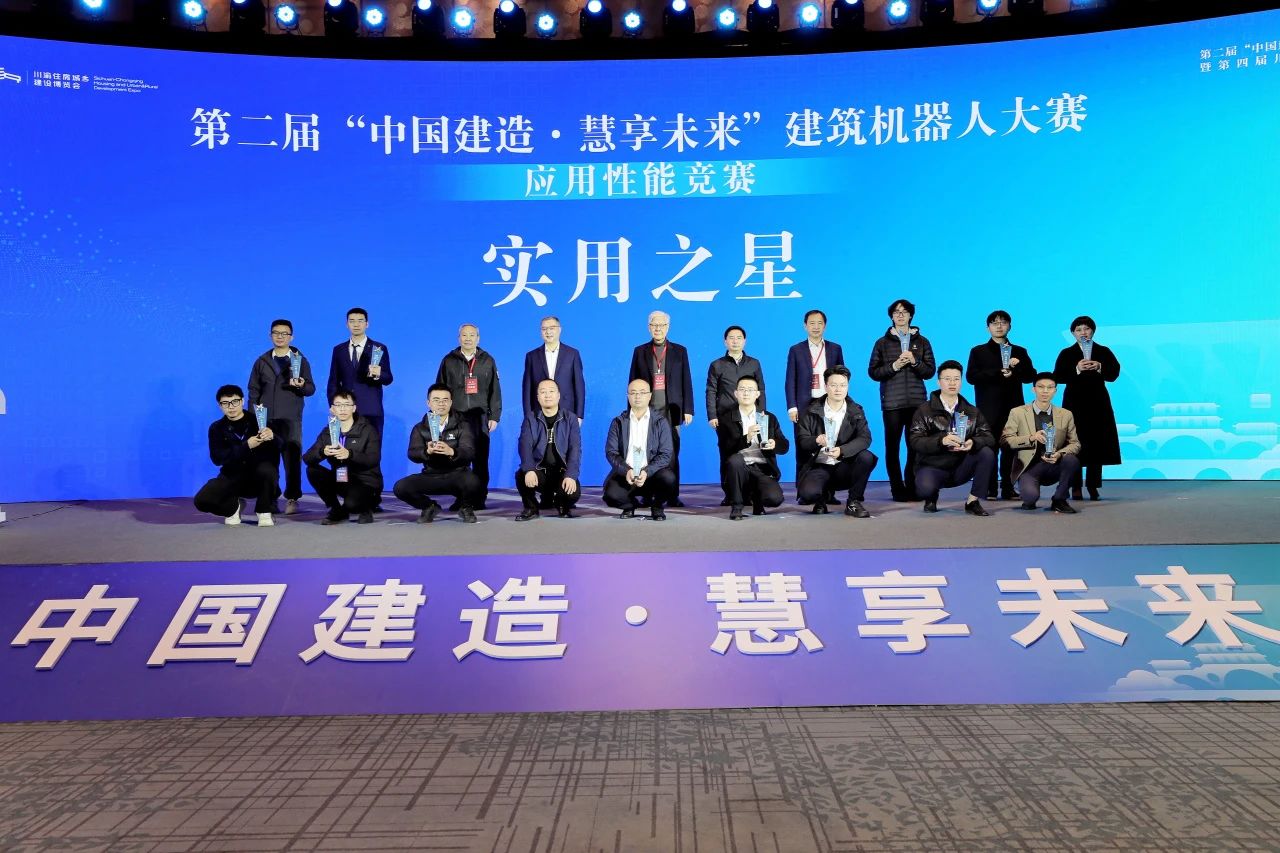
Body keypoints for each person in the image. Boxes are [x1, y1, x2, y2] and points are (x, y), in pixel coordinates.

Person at [868, 298, 936, 502]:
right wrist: (895, 366)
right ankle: (897, 489)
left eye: (904, 311)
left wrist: (915, 362)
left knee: (915, 447)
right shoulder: (882, 343)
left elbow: (930, 371)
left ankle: (912, 486)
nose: (900, 315)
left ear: (910, 315)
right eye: (896, 312)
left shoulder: (922, 342)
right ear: (891, 316)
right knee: (893, 448)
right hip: (892, 403)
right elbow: (873, 372)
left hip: (917, 403)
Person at [907, 360, 996, 516]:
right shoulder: (924, 410)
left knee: (987, 452)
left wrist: (973, 442)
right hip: (932, 466)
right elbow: (915, 441)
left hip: (961, 466)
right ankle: (931, 496)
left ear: (961, 381)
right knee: (924, 489)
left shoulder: (972, 411)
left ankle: (972, 501)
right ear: (939, 382)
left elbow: (989, 437)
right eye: (947, 379)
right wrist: (942, 440)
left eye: (956, 379)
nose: (952, 383)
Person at [326, 307, 393, 509]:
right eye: (352, 321)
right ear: (347, 324)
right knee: (342, 453)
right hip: (345, 412)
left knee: (372, 454)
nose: (356, 324)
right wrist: (333, 405)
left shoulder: (379, 348)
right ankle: (347, 494)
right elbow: (333, 380)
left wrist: (378, 374)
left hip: (371, 410)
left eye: (360, 320)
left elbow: (388, 377)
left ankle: (374, 498)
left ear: (367, 324)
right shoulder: (338, 350)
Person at [247, 319, 315, 516]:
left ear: (291, 337)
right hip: (266, 420)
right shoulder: (261, 361)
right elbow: (253, 391)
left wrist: (301, 385)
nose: (280, 336)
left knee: (292, 458)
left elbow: (311, 389)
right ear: (270, 336)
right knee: (268, 460)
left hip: (290, 418)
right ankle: (271, 497)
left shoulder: (300, 360)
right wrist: (253, 418)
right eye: (276, 333)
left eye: (284, 333)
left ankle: (293, 498)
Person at [965, 310, 1035, 501]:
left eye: (1003, 322)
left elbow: (1031, 376)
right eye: (994, 323)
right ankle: (989, 488)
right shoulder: (978, 351)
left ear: (1009, 326)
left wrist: (1016, 369)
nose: (999, 326)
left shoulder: (1019, 351)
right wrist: (997, 372)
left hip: (1014, 409)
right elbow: (971, 377)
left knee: (1011, 449)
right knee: (989, 448)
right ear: (988, 327)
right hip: (988, 409)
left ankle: (1008, 487)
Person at [628, 310, 694, 506]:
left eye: (662, 325)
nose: (658, 328)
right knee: (646, 452)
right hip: (646, 410)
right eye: (654, 325)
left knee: (672, 453)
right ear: (649, 327)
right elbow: (632, 381)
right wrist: (631, 410)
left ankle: (672, 495)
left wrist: (688, 409)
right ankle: (647, 494)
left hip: (671, 410)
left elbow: (686, 380)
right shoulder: (639, 351)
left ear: (668, 327)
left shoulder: (680, 351)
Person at [1052, 316, 1121, 501]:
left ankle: (1093, 485)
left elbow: (1114, 373)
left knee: (1097, 443)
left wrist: (1099, 367)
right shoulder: (1067, 353)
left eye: (1087, 329)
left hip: (1098, 403)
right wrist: (1076, 369)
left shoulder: (1103, 351)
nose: (1083, 332)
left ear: (1093, 331)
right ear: (1073, 333)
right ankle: (1075, 486)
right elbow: (1057, 376)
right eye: (1078, 329)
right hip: (1074, 403)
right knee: (1075, 443)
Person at [194, 385, 281, 526]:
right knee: (201, 500)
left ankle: (264, 510)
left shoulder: (259, 420)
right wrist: (247, 446)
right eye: (225, 403)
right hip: (231, 477)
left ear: (242, 401)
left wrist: (273, 436)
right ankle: (234, 506)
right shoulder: (216, 428)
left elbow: (282, 446)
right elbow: (217, 458)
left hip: (259, 478)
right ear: (220, 406)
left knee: (268, 470)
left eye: (235, 401)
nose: (231, 407)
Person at [435, 323, 501, 510]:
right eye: (464, 335)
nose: (468, 338)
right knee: (458, 460)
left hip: (480, 418)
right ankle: (462, 499)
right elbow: (440, 388)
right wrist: (441, 414)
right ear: (459, 338)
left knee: (481, 460)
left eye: (472, 335)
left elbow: (495, 390)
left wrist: (494, 416)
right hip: (456, 418)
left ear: (478, 338)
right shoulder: (449, 360)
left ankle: (479, 499)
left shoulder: (488, 360)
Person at [393, 385, 481, 524]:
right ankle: (429, 507)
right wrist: (426, 452)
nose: (441, 404)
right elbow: (412, 453)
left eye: (445, 400)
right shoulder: (419, 428)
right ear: (428, 403)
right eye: (436, 400)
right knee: (401, 487)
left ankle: (465, 507)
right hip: (431, 475)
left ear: (451, 402)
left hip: (457, 474)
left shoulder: (463, 425)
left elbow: (469, 451)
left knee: (474, 481)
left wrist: (452, 451)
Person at [795, 366, 875, 518]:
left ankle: (853, 502)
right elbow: (802, 441)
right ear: (826, 386)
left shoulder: (856, 410)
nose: (838, 389)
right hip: (819, 465)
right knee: (809, 493)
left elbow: (865, 438)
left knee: (866, 457)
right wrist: (816, 440)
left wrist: (842, 450)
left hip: (844, 465)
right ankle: (821, 497)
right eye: (833, 385)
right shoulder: (811, 410)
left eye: (843, 385)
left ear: (847, 386)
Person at [1001, 372, 1083, 514]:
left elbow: (1075, 444)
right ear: (1033, 389)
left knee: (1071, 460)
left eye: (1050, 387)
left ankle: (1059, 499)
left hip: (1054, 464)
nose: (1045, 391)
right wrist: (1031, 438)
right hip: (1029, 467)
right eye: (1041, 387)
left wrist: (1059, 454)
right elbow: (1006, 440)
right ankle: (1029, 493)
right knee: (1030, 499)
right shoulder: (1017, 412)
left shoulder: (1066, 414)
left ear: (1055, 391)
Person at [786, 309, 846, 490]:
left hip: (829, 403)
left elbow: (842, 377)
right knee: (803, 447)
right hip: (804, 404)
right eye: (812, 323)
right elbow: (790, 380)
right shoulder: (796, 350)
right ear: (805, 326)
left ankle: (828, 492)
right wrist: (792, 407)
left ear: (825, 326)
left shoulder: (835, 348)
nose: (816, 327)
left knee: (830, 445)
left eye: (820, 323)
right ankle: (803, 491)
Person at [715, 375, 789, 520]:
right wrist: (746, 438)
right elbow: (725, 448)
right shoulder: (726, 419)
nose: (746, 393)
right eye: (742, 389)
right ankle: (737, 507)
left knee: (774, 499)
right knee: (735, 460)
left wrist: (775, 444)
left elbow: (785, 446)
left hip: (762, 469)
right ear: (736, 393)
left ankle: (758, 498)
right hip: (739, 469)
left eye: (750, 390)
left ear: (757, 394)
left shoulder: (769, 418)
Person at [304, 389, 383, 525]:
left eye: (346, 405)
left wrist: (350, 454)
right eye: (338, 405)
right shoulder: (328, 432)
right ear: (332, 409)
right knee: (312, 470)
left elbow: (373, 459)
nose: (342, 409)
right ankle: (336, 509)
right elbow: (307, 458)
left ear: (354, 408)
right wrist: (323, 452)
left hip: (365, 482)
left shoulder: (368, 430)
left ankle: (366, 507)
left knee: (353, 504)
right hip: (342, 479)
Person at [603, 379, 676, 520]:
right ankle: (629, 506)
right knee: (610, 493)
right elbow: (611, 452)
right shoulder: (618, 422)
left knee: (669, 479)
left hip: (652, 474)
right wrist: (626, 470)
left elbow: (666, 454)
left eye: (642, 393)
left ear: (649, 396)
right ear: (628, 396)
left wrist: (647, 471)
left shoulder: (660, 422)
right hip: (627, 474)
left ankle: (657, 506)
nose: (637, 396)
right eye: (633, 393)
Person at [515, 380, 582, 521]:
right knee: (521, 475)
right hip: (540, 472)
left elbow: (575, 449)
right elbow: (524, 446)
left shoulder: (570, 418)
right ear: (538, 397)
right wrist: (529, 469)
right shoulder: (530, 418)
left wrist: (571, 475)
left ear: (558, 395)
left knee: (573, 492)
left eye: (551, 391)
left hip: (561, 472)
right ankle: (531, 508)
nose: (547, 395)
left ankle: (561, 505)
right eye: (543, 392)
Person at [522, 316, 585, 422]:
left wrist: (579, 415)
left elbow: (579, 386)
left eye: (552, 328)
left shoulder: (572, 354)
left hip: (567, 411)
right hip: (539, 413)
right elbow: (527, 388)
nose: (548, 332)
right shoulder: (532, 356)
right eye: (544, 329)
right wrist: (528, 416)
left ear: (559, 329)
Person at [706, 325, 767, 428]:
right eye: (731, 338)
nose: (735, 341)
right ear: (725, 342)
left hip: (751, 414)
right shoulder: (716, 365)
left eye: (739, 338)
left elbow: (761, 389)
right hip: (725, 414)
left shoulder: (754, 363)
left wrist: (762, 411)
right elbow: (711, 391)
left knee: (752, 438)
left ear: (744, 341)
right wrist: (712, 415)